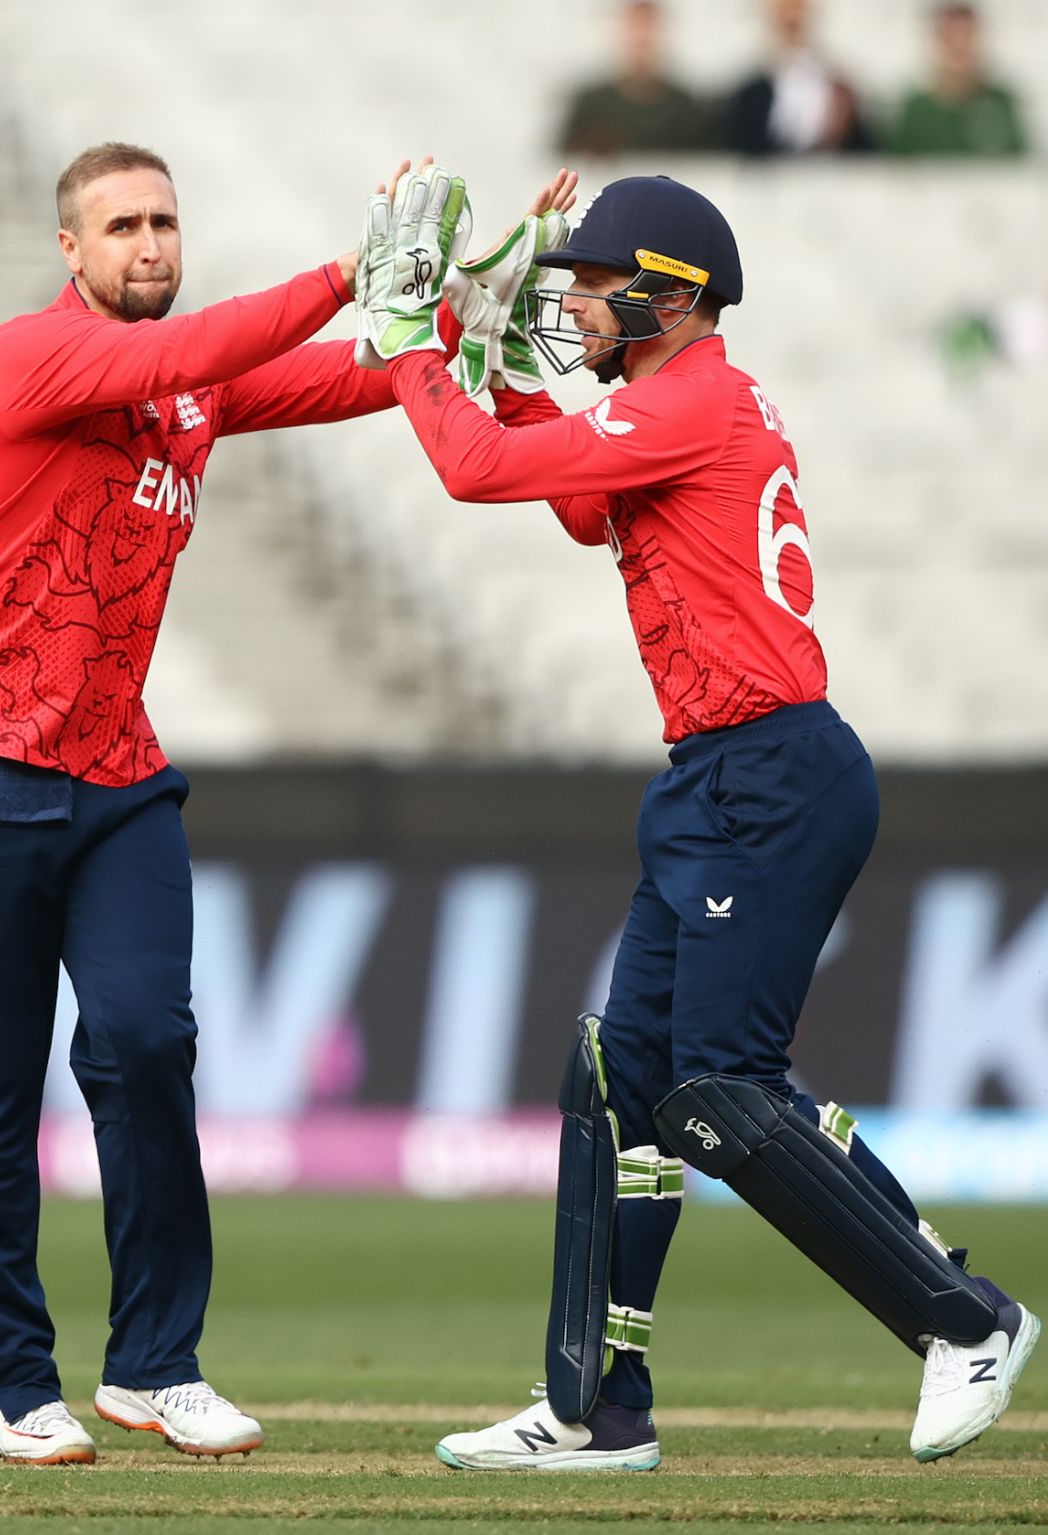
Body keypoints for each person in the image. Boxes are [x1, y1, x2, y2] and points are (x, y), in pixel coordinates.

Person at [353, 164, 1040, 1470]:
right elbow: (570, 503)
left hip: (769, 771)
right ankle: (594, 1404)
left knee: (721, 1088)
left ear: (670, 296)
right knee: (627, 1075)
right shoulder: (679, 400)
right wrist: (499, 362)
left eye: (599, 291)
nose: (583, 312)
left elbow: (471, 472)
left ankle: (968, 1317)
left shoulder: (699, 398)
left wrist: (409, 351)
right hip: (722, 770)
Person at [0, 140, 440, 1467]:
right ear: (71, 251)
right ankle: (18, 1380)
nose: (149, 242)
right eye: (122, 225)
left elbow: (351, 378)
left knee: (145, 1041)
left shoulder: (186, 392)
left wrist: (468, 318)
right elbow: (195, 355)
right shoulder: (36, 353)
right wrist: (348, 272)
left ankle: (154, 1362)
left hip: (117, 775)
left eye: (165, 223)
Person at [555, 0, 715, 157]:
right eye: (635, 29)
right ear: (621, 34)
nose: (641, 39)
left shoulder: (685, 107)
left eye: (649, 30)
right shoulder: (590, 104)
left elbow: (703, 164)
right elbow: (564, 162)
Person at [723, 0, 874, 156]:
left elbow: (862, 152)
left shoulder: (839, 93)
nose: (794, 35)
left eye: (799, 24)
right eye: (787, 25)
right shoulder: (750, 96)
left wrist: (841, 125)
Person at [889, 3, 1028, 158]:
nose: (960, 47)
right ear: (937, 42)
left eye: (967, 36)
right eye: (951, 38)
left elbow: (1017, 168)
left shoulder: (1001, 103)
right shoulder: (916, 111)